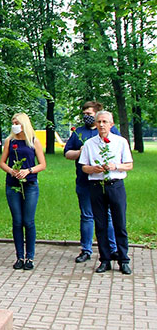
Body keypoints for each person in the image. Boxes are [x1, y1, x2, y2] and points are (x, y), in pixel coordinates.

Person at [63, 101, 119, 263]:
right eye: (85, 114)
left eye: (90, 114)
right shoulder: (78, 133)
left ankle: (112, 248)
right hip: (84, 181)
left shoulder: (110, 131)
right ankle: (86, 250)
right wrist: (81, 151)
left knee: (107, 216)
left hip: (105, 181)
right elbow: (67, 153)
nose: (87, 117)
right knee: (87, 216)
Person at [79, 111, 133, 275]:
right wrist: (93, 169)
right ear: (95, 124)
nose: (101, 125)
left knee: (119, 223)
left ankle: (123, 259)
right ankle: (105, 259)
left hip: (115, 185)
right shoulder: (90, 144)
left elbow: (129, 165)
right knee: (100, 224)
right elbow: (84, 166)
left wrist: (115, 166)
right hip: (96, 185)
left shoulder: (120, 142)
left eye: (105, 122)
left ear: (111, 124)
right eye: (99, 122)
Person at [0, 113, 46, 270]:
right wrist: (12, 171)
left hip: (30, 184)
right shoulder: (9, 141)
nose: (14, 124)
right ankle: (19, 256)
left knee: (28, 221)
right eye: (13, 122)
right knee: (17, 221)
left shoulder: (33, 141)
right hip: (13, 185)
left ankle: (30, 257)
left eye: (17, 122)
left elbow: (42, 164)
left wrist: (29, 171)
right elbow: (2, 163)